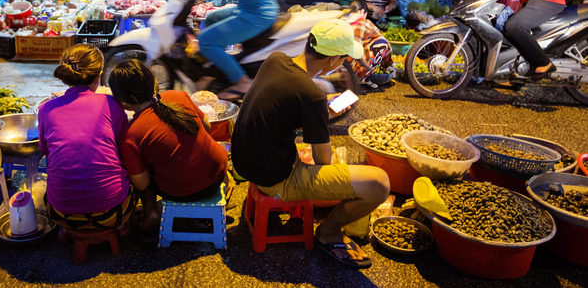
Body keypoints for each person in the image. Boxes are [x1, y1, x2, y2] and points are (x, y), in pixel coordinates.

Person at [231, 19, 390, 268]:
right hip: (274, 179)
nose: (344, 63)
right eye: (344, 58)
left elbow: (284, 105)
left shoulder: (276, 60)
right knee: (379, 183)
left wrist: (317, 114)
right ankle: (328, 232)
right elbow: (322, 162)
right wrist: (321, 116)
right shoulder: (312, 96)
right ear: (333, 60)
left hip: (245, 160)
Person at [108, 59, 228, 238]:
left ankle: (151, 214)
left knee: (141, 172)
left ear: (123, 102)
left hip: (183, 191)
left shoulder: (131, 135)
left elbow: (141, 183)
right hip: (219, 173)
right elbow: (208, 127)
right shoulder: (179, 95)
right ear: (153, 82)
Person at [38, 44, 136, 235]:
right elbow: (124, 147)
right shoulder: (111, 103)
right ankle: (121, 225)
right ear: (99, 75)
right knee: (136, 176)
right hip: (113, 210)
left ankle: (68, 228)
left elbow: (45, 150)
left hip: (60, 212)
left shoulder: (46, 109)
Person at [342, 0, 393, 87]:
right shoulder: (364, 23)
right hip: (352, 71)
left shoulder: (343, 20)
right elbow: (387, 46)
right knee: (383, 43)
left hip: (336, 68)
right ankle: (362, 78)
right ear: (362, 11)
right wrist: (386, 65)